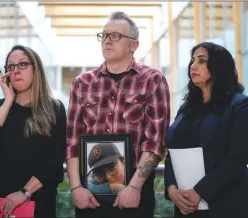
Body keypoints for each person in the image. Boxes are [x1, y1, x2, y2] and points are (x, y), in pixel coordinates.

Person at [65, 11, 170, 218]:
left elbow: (155, 142)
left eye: (116, 36)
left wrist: (134, 187)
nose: (107, 41)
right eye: (104, 35)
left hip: (135, 191)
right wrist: (76, 188)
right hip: (89, 192)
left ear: (134, 45)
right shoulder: (82, 83)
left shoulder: (153, 81)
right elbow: (72, 141)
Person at [0, 45, 66, 218]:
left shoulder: (54, 109)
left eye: (22, 64)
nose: (16, 70)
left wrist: (24, 192)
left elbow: (54, 161)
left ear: (36, 69)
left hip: (38, 203)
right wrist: (8, 100)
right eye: (10, 66)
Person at [164, 42, 248, 218]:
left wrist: (199, 191)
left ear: (219, 67)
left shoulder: (239, 105)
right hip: (184, 205)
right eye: (192, 61)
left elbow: (237, 160)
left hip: (224, 205)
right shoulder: (186, 109)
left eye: (202, 61)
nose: (193, 66)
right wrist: (171, 189)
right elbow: (172, 154)